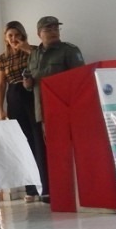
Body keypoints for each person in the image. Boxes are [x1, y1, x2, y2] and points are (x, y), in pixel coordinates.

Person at [23, 15, 85, 202]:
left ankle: (75, 191)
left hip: (64, 110)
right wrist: (27, 83)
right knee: (51, 154)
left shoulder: (69, 51)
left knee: (68, 152)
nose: (53, 32)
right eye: (48, 29)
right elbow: (31, 85)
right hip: (42, 112)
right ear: (39, 33)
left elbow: (80, 79)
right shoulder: (34, 54)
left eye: (56, 28)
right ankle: (57, 191)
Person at [0, 20, 40, 201]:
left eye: (17, 34)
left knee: (38, 139)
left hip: (33, 94)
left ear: (22, 35)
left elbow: (41, 65)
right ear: (5, 38)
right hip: (14, 97)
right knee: (24, 142)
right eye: (10, 35)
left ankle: (46, 185)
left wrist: (27, 49)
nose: (13, 38)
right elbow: (0, 84)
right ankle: (31, 189)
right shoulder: (2, 59)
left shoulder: (33, 51)